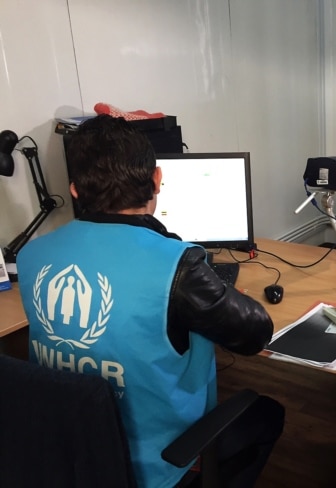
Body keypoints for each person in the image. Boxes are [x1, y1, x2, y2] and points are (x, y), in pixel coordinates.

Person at [16, 115, 284, 488]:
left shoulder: (31, 257)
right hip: (157, 467)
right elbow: (255, 334)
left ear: (75, 190)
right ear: (157, 180)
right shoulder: (177, 265)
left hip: (70, 454)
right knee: (267, 414)